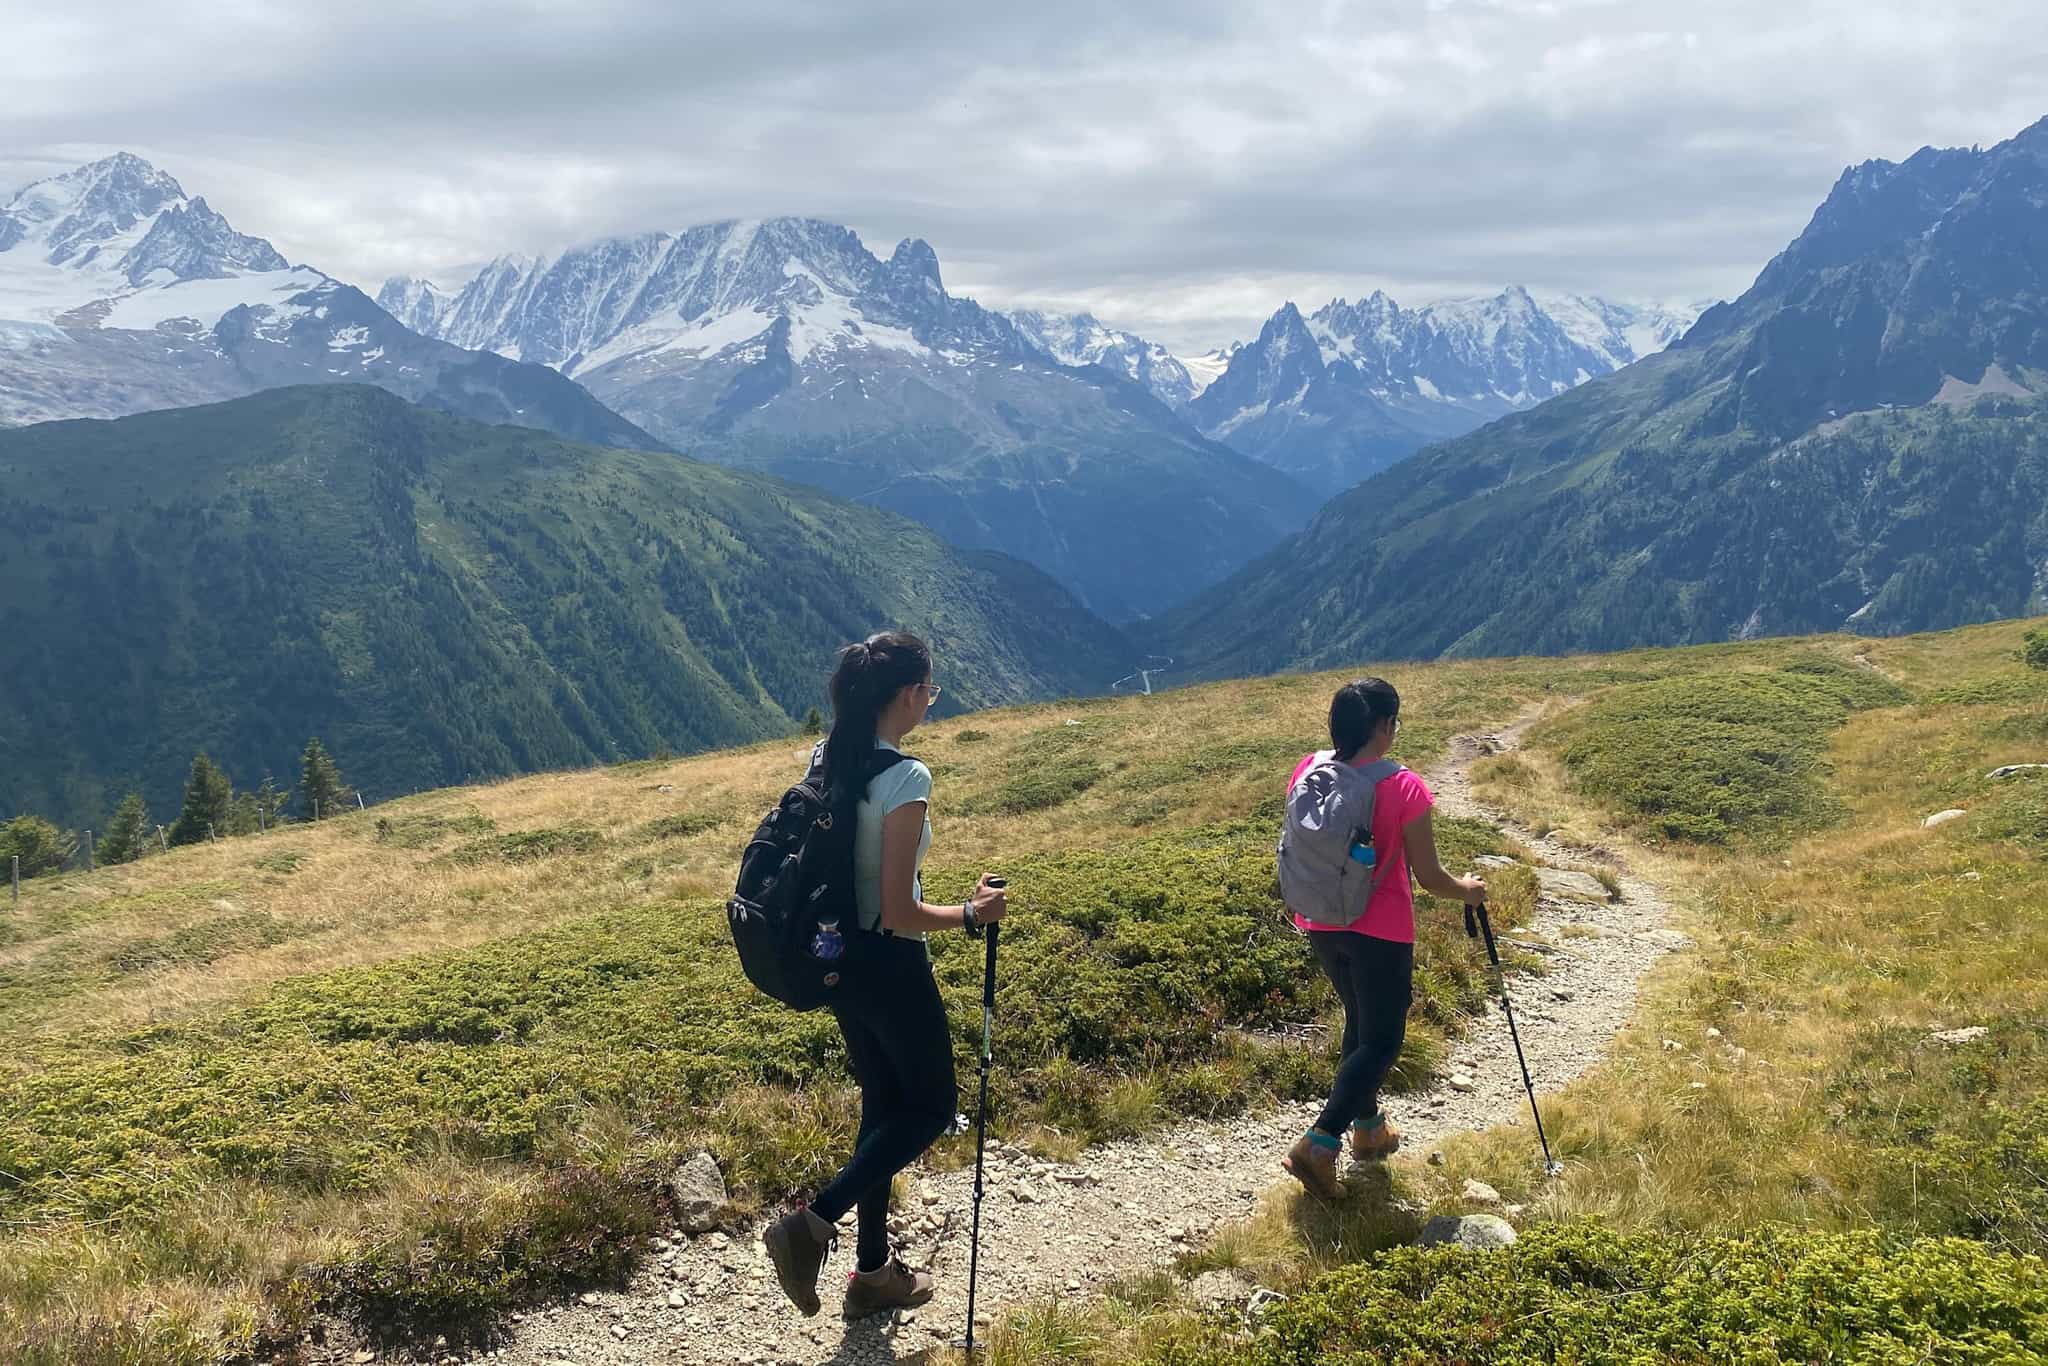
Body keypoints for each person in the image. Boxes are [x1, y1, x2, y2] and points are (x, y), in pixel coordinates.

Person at [763, 631, 1009, 1321]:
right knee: (930, 1109)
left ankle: (872, 1274)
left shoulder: (830, 756)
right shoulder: (906, 778)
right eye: (929, 689)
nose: (931, 699)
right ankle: (810, 1225)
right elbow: (899, 910)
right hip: (893, 965)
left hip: (842, 963)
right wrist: (971, 912)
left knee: (882, 1110)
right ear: (909, 694)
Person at [1280, 678, 1487, 1200]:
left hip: (1322, 921)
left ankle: (1369, 1130)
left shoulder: (1309, 769)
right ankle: (1320, 1142)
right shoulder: (1404, 787)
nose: (1395, 730)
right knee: (1383, 1040)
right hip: (1381, 929)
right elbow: (1431, 876)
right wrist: (1469, 891)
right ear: (1381, 726)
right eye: (1393, 721)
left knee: (1360, 1025)